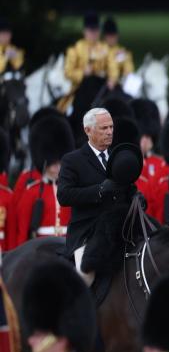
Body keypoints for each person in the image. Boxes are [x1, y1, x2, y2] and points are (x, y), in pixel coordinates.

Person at [57, 108, 137, 284]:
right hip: (87, 231)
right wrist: (99, 190)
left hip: (119, 228)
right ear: (88, 130)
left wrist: (137, 196)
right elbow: (63, 195)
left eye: (111, 127)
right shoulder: (73, 160)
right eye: (104, 128)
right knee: (85, 277)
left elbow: (127, 187)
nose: (109, 132)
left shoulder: (117, 157)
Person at [13, 116, 74, 246]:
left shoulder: (71, 190)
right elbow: (22, 228)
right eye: (53, 163)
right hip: (42, 246)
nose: (58, 167)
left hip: (67, 245)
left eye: (60, 163)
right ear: (45, 162)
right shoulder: (33, 192)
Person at [60, 13, 108, 112]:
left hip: (102, 88)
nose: (94, 33)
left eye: (96, 30)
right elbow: (68, 72)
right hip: (80, 89)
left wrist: (108, 75)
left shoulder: (105, 48)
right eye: (91, 30)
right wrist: (83, 73)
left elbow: (111, 67)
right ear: (85, 31)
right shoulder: (75, 49)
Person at [102, 17, 134, 90]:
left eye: (114, 35)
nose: (112, 38)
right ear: (105, 36)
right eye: (110, 36)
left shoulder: (122, 52)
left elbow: (129, 71)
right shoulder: (99, 50)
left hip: (118, 86)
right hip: (101, 85)